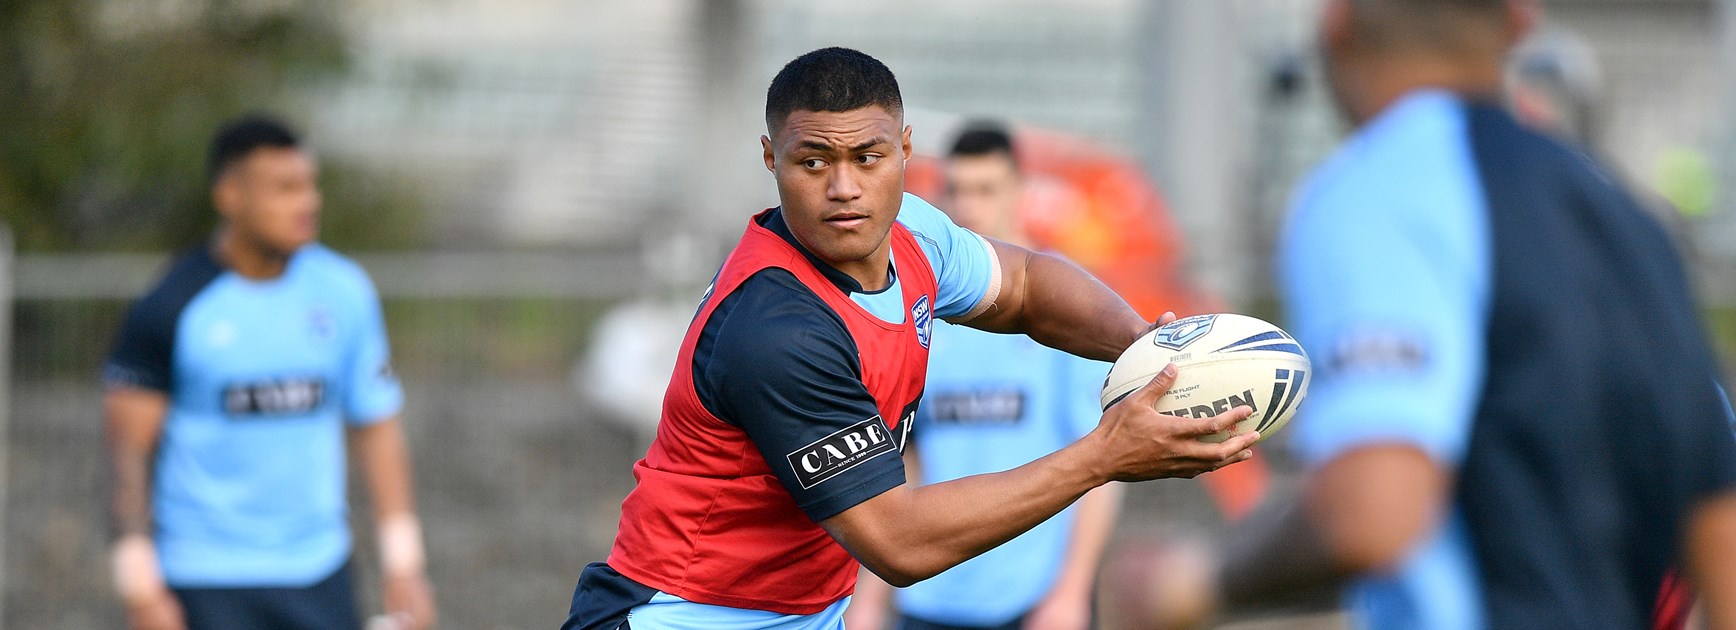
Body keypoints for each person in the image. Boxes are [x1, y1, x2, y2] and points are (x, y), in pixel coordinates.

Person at [562, 47, 1261, 630]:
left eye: (867, 158)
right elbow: (897, 540)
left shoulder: (915, 236)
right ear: (771, 157)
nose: (843, 187)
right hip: (681, 616)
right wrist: (1104, 456)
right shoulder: (778, 330)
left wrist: (1143, 343)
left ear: (903, 151)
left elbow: (1022, 284)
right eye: (813, 162)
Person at [1103, 1, 1736, 628]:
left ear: (1336, 27)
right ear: (1519, 22)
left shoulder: (1376, 193)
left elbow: (1375, 511)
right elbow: (1716, 508)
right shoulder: (1626, 218)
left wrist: (1195, 578)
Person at [104, 115, 437, 630]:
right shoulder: (171, 304)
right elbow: (127, 450)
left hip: (319, 570)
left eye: (309, 185)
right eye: (285, 188)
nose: (307, 203)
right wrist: (139, 586)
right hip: (204, 576)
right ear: (231, 196)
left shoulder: (344, 291)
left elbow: (377, 426)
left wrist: (404, 562)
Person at [843, 124, 1122, 630]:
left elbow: (1102, 460)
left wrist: (1071, 592)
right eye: (957, 190)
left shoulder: (1065, 303)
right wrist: (867, 599)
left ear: (1019, 192)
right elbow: (902, 462)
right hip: (927, 600)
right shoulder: (914, 303)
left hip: (1028, 600)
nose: (968, 206)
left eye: (985, 189)